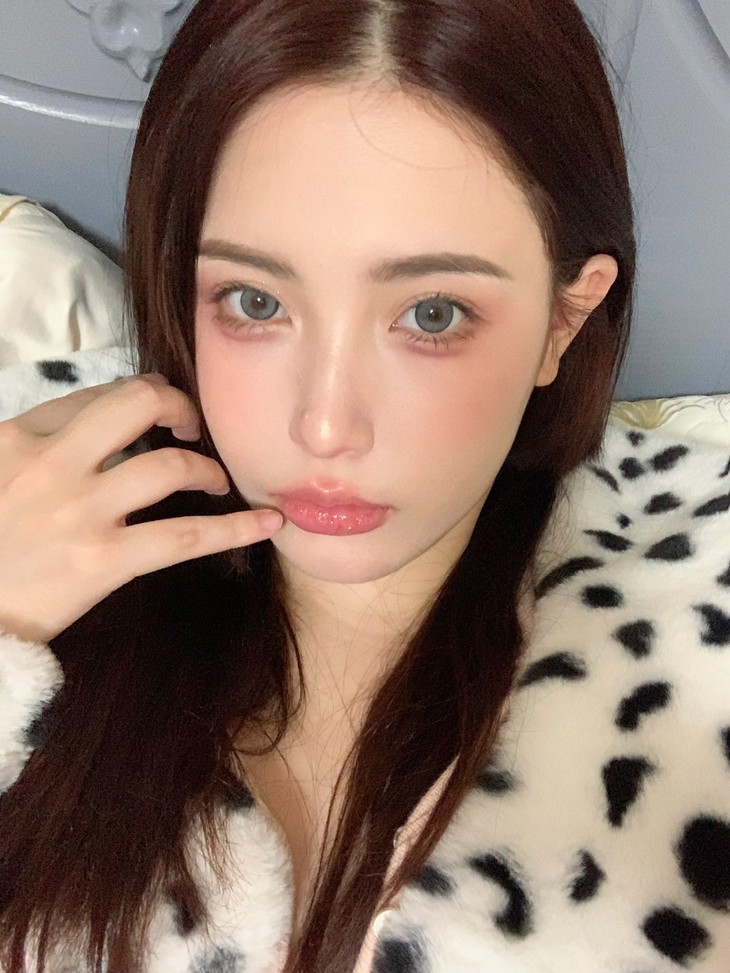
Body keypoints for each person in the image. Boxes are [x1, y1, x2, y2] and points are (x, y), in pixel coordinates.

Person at [1, 1, 728, 971]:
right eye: (254, 301)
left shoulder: (699, 625)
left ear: (565, 317)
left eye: (432, 314)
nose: (325, 424)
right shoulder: (30, 503)